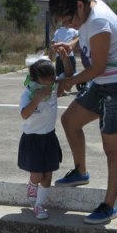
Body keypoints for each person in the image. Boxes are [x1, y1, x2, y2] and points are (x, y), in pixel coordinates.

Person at [49, 0, 117, 225]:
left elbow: (98, 68)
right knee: (70, 121)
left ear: (79, 6)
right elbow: (85, 37)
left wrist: (68, 82)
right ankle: (81, 172)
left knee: (113, 150)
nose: (69, 25)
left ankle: (109, 206)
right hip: (103, 85)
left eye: (69, 20)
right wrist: (70, 46)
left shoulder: (99, 20)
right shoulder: (88, 12)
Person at [19, 53, 73, 220]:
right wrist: (37, 98)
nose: (50, 82)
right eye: (46, 79)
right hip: (32, 139)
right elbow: (24, 114)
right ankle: (32, 184)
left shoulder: (54, 87)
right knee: (38, 176)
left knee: (48, 175)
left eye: (52, 78)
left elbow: (69, 75)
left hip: (49, 137)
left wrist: (65, 58)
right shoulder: (28, 93)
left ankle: (39, 205)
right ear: (35, 79)